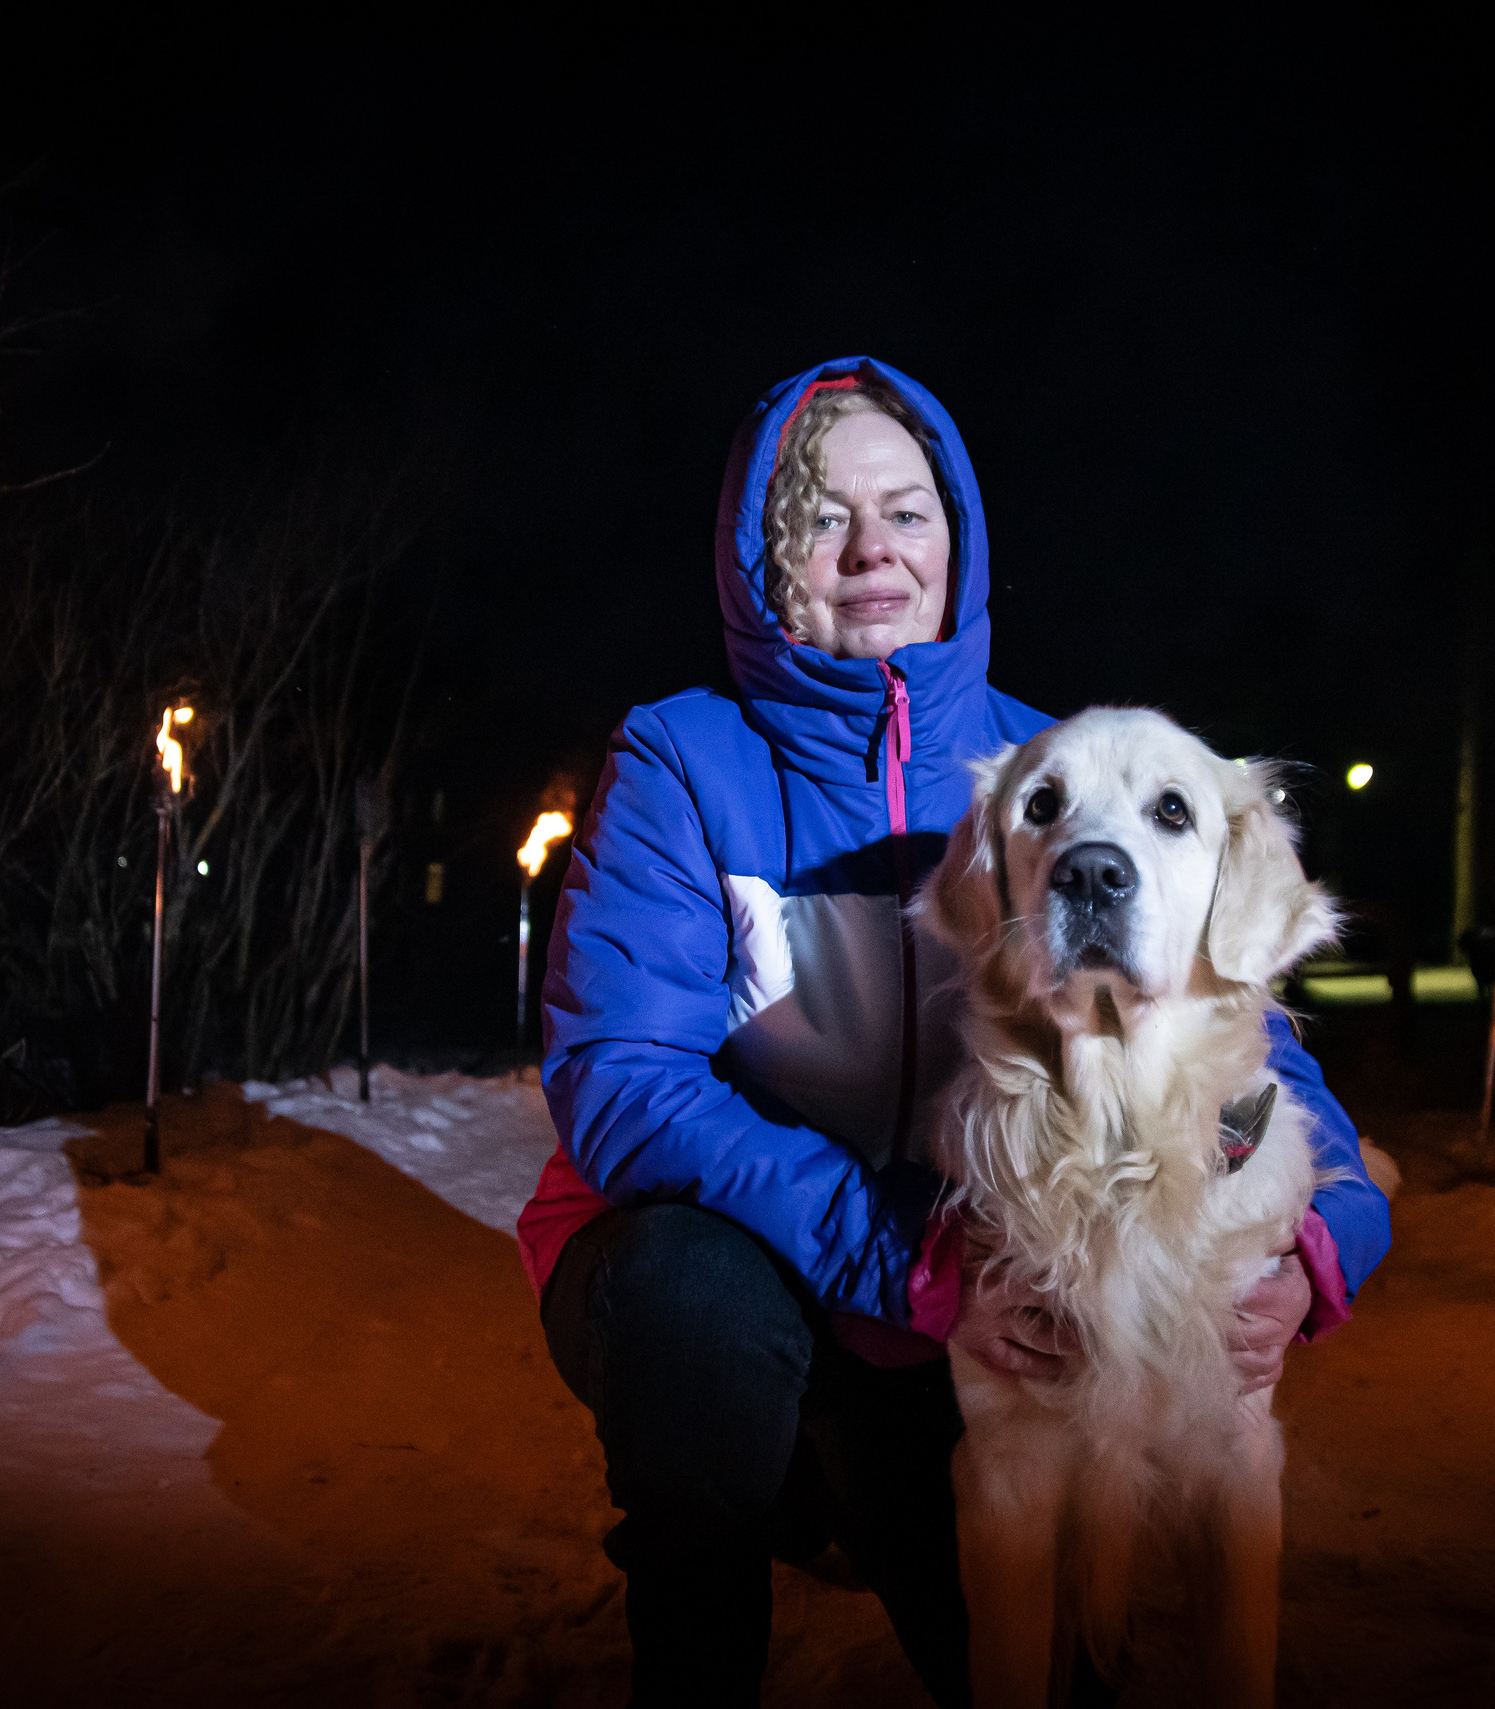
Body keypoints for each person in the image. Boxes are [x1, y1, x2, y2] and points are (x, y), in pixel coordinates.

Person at [516, 357, 1392, 1706]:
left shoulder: (1059, 769)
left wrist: (1320, 1252)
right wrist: (902, 1260)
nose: (870, 548)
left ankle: (849, 1474)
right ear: (760, 557)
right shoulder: (683, 760)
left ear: (959, 537)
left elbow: (1250, 1047)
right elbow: (619, 1078)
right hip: (744, 1257)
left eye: (907, 509)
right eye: (817, 514)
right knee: (695, 1314)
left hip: (950, 1316)